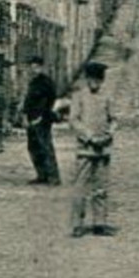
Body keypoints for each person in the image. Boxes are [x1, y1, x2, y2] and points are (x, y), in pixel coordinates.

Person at [69, 60, 117, 238]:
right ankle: (77, 224)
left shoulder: (107, 96)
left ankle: (100, 223)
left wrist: (108, 135)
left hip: (103, 149)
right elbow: (74, 120)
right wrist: (88, 136)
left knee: (101, 187)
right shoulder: (79, 96)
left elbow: (113, 119)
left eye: (98, 79)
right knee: (80, 188)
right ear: (86, 79)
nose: (95, 83)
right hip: (85, 149)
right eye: (92, 79)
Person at [21, 55, 61, 185]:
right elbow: (28, 102)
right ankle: (42, 175)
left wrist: (40, 117)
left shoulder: (46, 83)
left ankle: (53, 176)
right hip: (32, 119)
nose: (33, 70)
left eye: (36, 67)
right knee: (34, 147)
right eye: (32, 67)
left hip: (42, 119)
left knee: (45, 147)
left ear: (42, 67)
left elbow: (48, 102)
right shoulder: (33, 82)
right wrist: (26, 117)